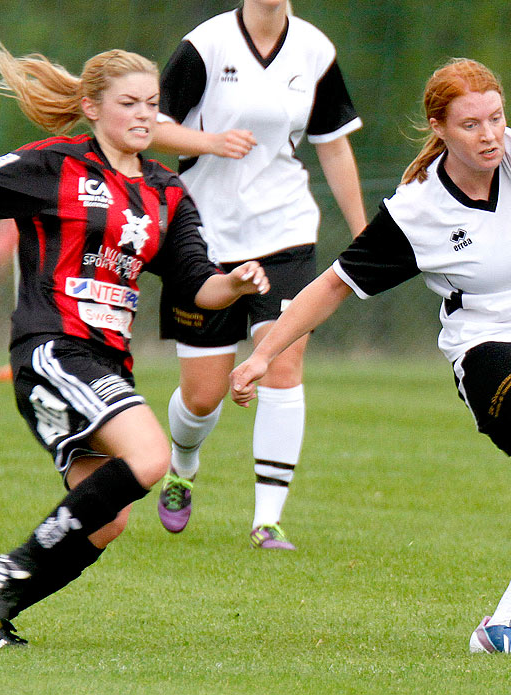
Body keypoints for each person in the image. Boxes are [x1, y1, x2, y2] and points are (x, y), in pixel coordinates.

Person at [230, 58, 511, 653]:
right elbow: (332, 284)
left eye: (495, 118)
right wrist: (264, 355)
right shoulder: (416, 211)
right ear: (439, 128)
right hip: (490, 346)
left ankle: (505, 623)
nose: (488, 135)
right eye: (470, 125)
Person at [0, 45, 269, 647]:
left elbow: (198, 284)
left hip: (106, 363)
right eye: (129, 103)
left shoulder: (167, 193)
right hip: (52, 349)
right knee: (151, 455)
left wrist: (236, 282)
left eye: (152, 104)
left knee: (108, 520)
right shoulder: (57, 166)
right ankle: (10, 571)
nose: (144, 115)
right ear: (91, 107)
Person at [149, 0, 367, 550]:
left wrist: (365, 230)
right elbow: (150, 127)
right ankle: (183, 464)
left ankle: (266, 520)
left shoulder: (315, 49)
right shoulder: (206, 44)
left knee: (283, 362)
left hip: (285, 231)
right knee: (203, 397)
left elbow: (333, 145)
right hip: (202, 235)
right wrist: (208, 142)